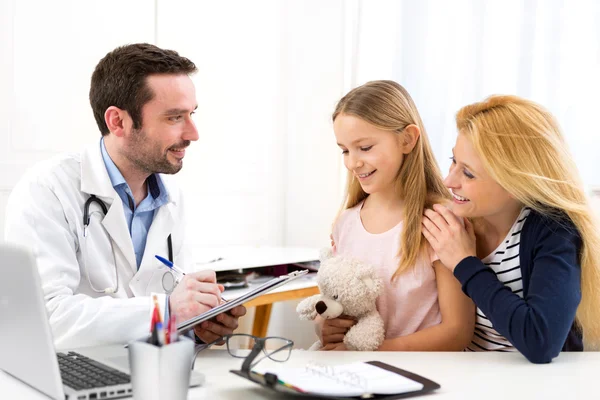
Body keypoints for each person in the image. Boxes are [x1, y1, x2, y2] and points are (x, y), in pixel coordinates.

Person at [4, 43, 245, 349]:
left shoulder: (172, 199)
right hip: (68, 385)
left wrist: (194, 326)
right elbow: (45, 319)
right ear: (117, 121)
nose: (193, 133)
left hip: (150, 373)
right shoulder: (47, 190)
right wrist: (167, 311)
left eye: (191, 114)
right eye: (174, 118)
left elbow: (167, 312)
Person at [421, 95, 600, 363]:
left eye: (468, 173)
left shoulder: (553, 231)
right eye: (453, 160)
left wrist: (464, 262)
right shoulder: (451, 220)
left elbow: (541, 342)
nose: (449, 181)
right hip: (461, 377)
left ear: (515, 181)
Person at [320, 80, 475, 351]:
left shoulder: (440, 222)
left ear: (407, 139)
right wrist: (325, 327)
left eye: (365, 147)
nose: (352, 162)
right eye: (345, 150)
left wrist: (374, 353)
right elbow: (334, 303)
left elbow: (457, 332)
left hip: (416, 378)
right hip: (353, 374)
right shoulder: (345, 223)